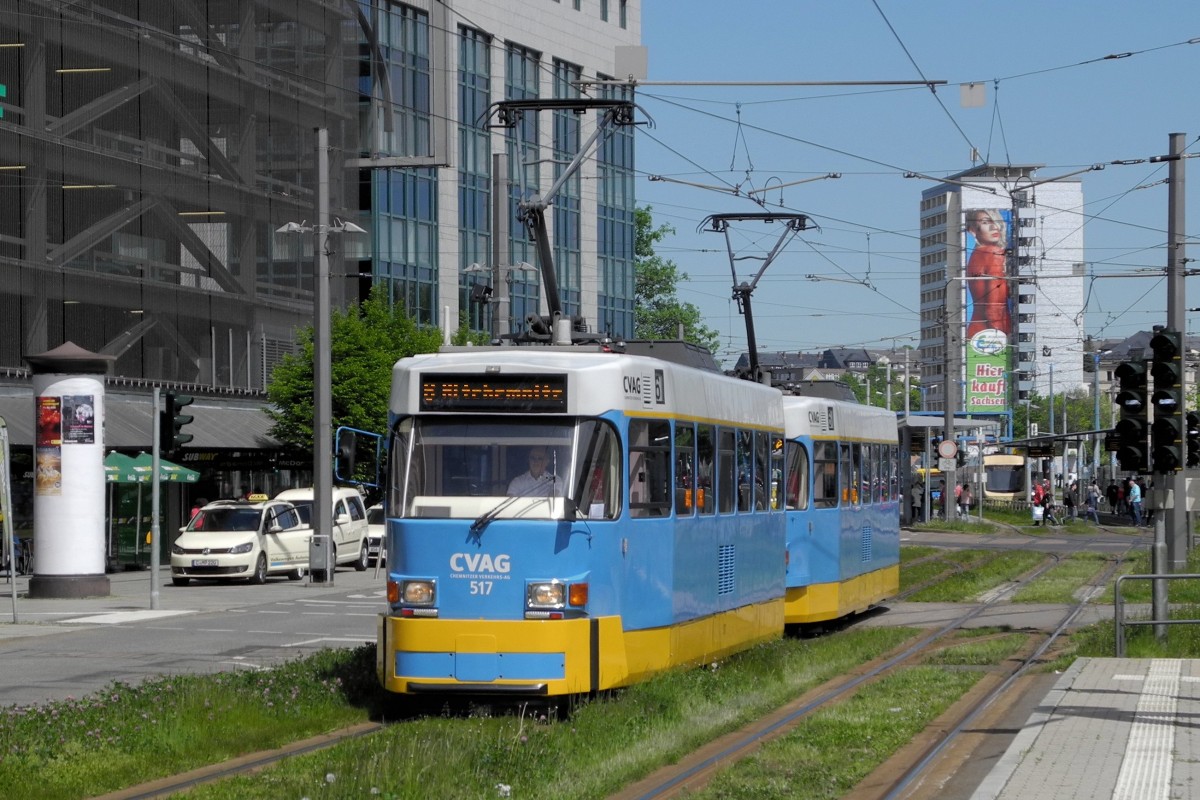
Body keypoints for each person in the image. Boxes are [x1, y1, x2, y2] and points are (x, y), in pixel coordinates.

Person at [964, 209, 1011, 339]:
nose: (994, 227)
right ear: (972, 230)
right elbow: (994, 306)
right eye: (985, 222)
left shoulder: (975, 255)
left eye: (996, 221)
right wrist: (1004, 337)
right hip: (993, 333)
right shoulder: (993, 253)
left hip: (977, 331)